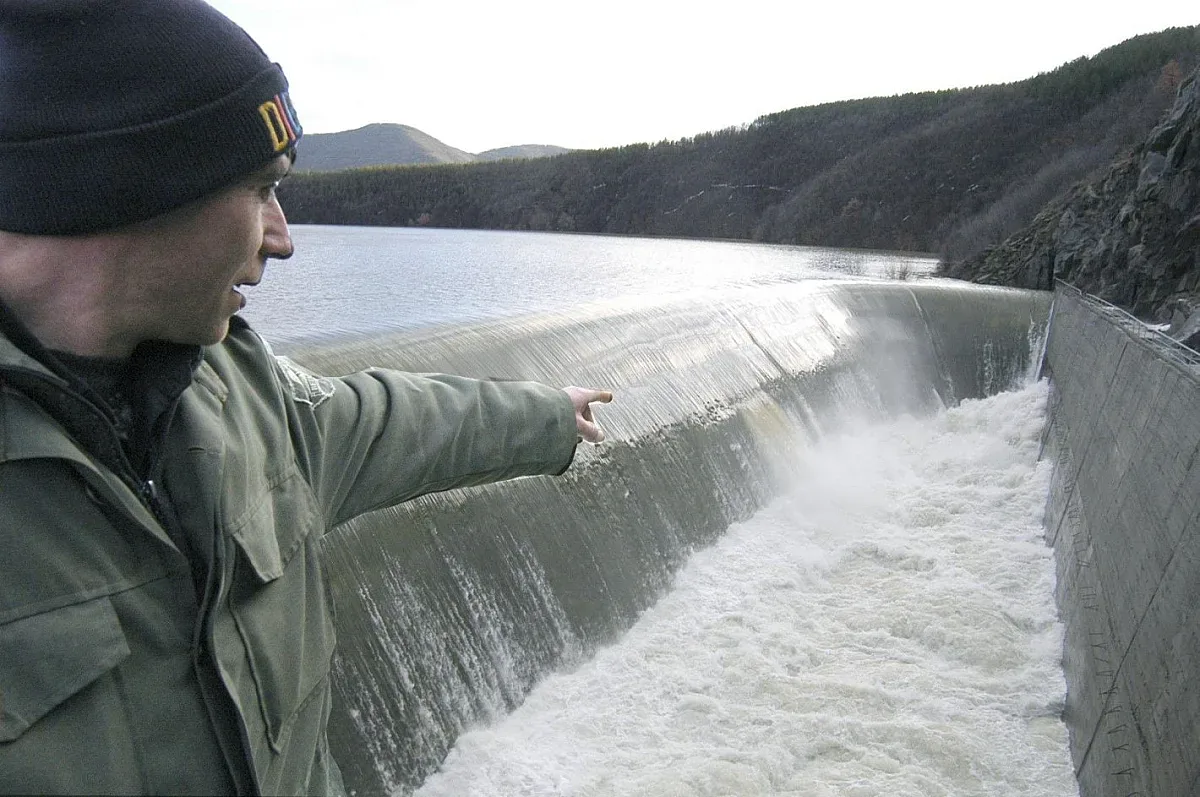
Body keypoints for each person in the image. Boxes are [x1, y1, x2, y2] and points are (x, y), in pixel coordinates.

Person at [0, 1, 611, 794]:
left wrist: (549, 417)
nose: (283, 235)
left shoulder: (237, 391)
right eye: (262, 189)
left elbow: (392, 421)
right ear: (133, 189)